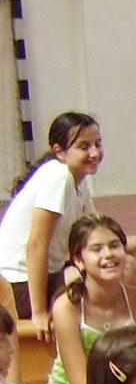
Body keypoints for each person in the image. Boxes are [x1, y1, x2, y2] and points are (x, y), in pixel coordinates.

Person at [46, 216, 136, 384]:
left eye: (114, 246)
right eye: (97, 249)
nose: (108, 254)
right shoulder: (67, 307)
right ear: (79, 260)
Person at [0, 112, 101, 337]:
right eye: (84, 147)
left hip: (45, 276)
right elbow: (37, 244)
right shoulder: (58, 177)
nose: (94, 153)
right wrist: (39, 312)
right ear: (59, 151)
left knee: (121, 265)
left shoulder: (79, 179)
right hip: (19, 284)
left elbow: (96, 232)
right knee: (86, 280)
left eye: (98, 144)